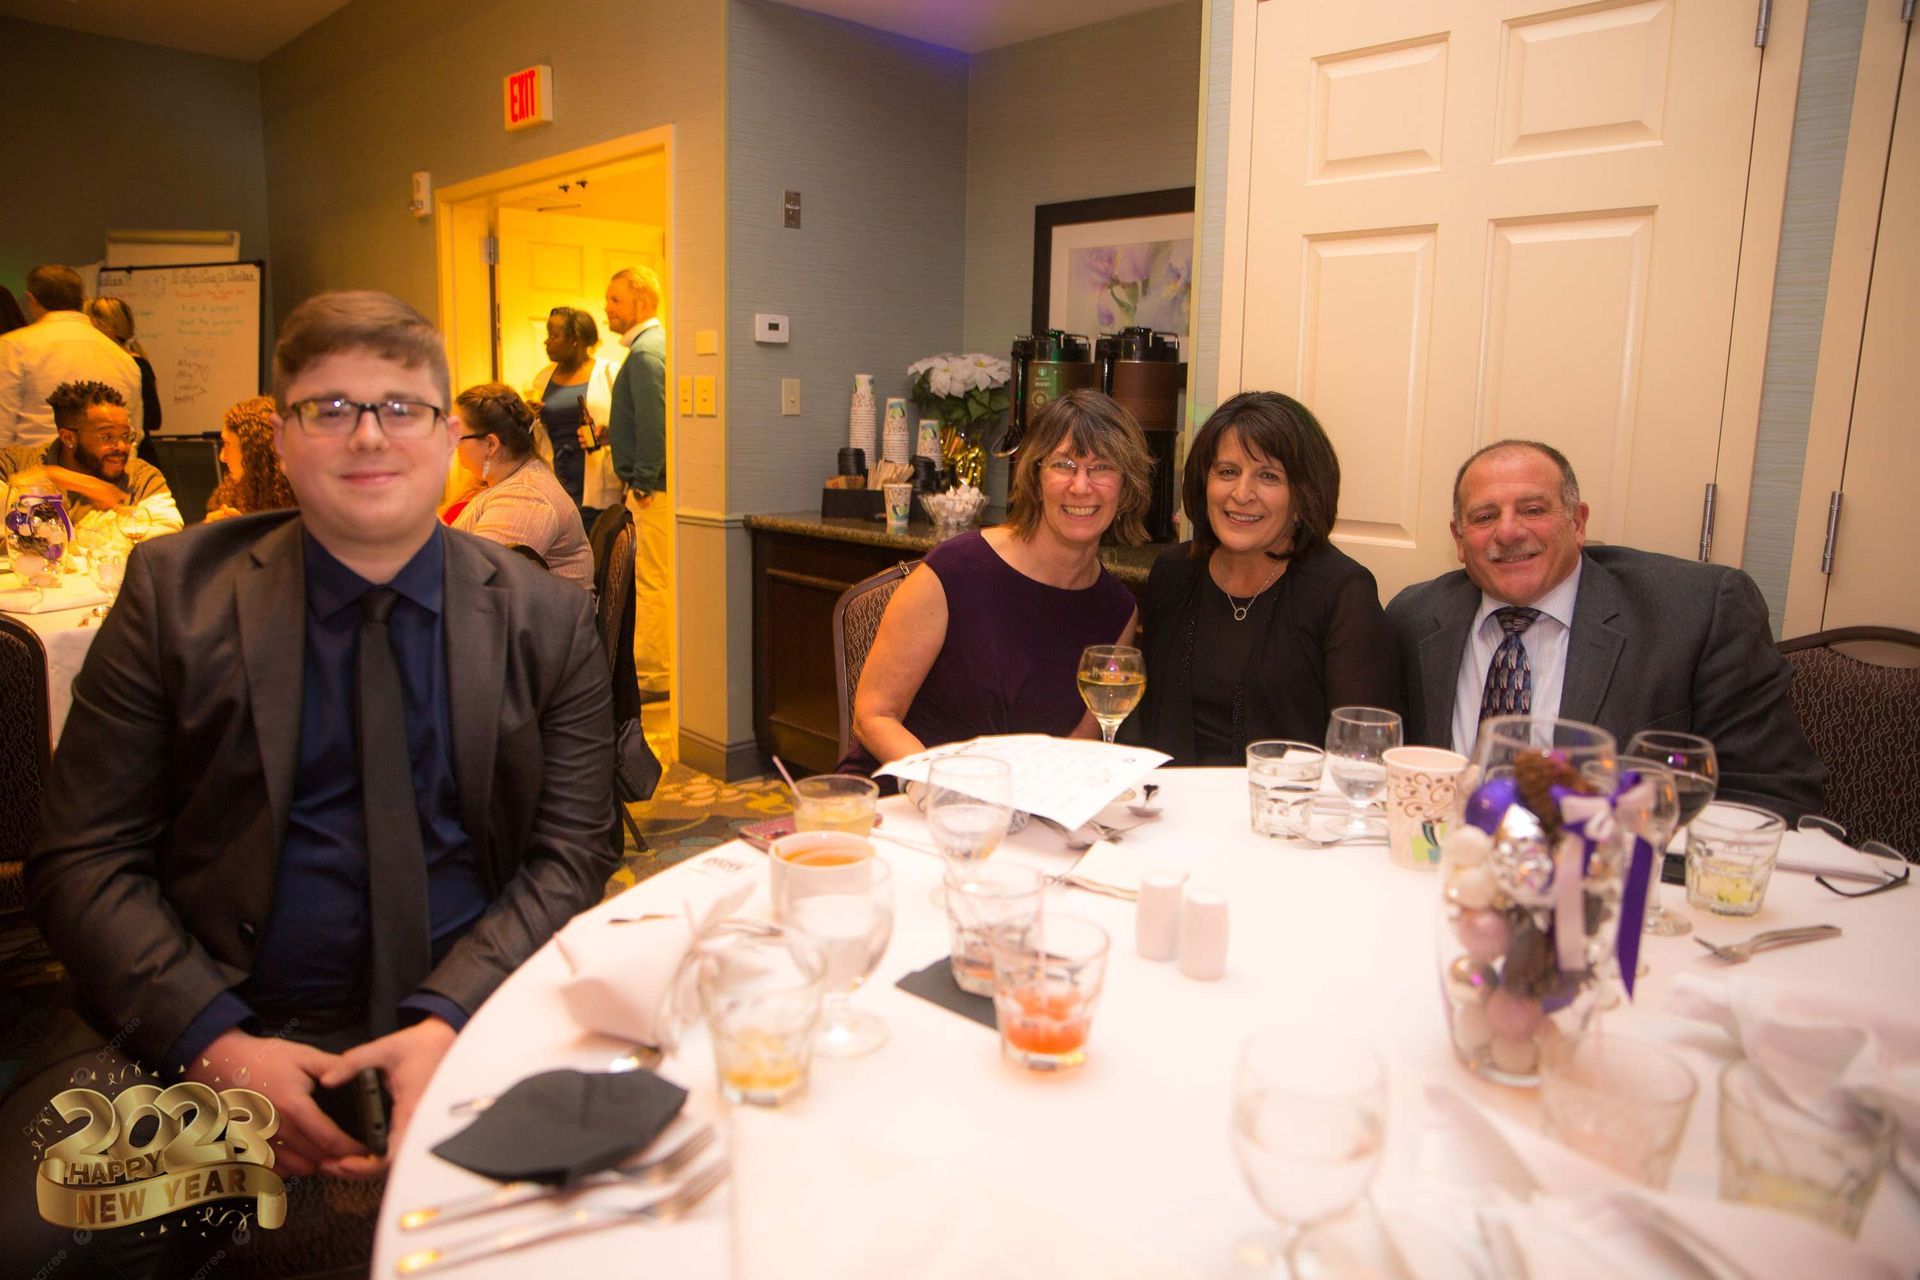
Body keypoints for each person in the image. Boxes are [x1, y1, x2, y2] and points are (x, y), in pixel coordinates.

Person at [2, 291, 615, 1276]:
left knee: (643, 1202)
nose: (368, 434)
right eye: (329, 408)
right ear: (280, 441)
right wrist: (215, 1043)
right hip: (206, 1009)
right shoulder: (173, 593)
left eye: (401, 407)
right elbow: (80, 860)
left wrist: (451, 1014)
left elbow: (572, 853)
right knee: (34, 1237)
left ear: (448, 438)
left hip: (480, 1004)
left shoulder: (546, 619)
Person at [1385, 439, 1825, 819]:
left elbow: (1770, 794)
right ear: (1459, 540)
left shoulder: (1697, 613)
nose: (1509, 531)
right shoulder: (1414, 617)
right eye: (1484, 517)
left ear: (1577, 523)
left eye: (1533, 509)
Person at [845, 389, 1147, 771]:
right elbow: (874, 716)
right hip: (909, 790)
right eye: (1064, 464)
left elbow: (1078, 748)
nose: (1081, 486)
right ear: (1036, 476)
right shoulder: (955, 570)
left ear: (1126, 487)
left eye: (1102, 467)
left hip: (1023, 801)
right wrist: (954, 788)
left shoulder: (1117, 610)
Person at [1131, 392, 1398, 764]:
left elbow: (1365, 756)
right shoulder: (1174, 571)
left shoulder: (1341, 592)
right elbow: (1145, 721)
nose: (1242, 494)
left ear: (1302, 497)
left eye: (1268, 476)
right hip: (1170, 795)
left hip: (1289, 799)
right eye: (1227, 472)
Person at [446, 382, 595, 590]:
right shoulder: (510, 479)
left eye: (458, 436)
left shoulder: (526, 498)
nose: (453, 444)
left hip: (542, 611)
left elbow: (473, 578)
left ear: (491, 444)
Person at [605, 265, 671, 702]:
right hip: (653, 484)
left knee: (650, 580)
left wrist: (643, 481)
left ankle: (653, 675)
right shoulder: (650, 348)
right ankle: (654, 670)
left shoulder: (646, 353)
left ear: (643, 303)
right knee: (652, 578)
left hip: (653, 488)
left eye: (615, 299)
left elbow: (654, 423)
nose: (607, 308)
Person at [0, 379, 182, 533]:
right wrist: (54, 476)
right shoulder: (15, 463)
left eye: (126, 436)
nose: (121, 446)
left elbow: (166, 534)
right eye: (107, 437)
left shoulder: (140, 477)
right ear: (68, 438)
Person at [0, 264, 143, 447]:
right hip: (108, 463)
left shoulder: (13, 348)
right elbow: (133, 433)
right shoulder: (123, 358)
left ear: (31, 299)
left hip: (34, 461)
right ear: (82, 300)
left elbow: (2, 428)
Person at [528, 305, 618, 513]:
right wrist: (528, 415)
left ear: (575, 339)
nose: (546, 341)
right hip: (555, 478)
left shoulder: (608, 373)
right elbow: (535, 435)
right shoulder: (543, 378)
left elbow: (627, 423)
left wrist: (608, 433)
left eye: (554, 335)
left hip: (598, 482)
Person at [86, 295, 164, 465]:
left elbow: (153, 418)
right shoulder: (129, 362)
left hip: (136, 457)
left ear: (107, 327)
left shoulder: (132, 364)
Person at [205, 394, 297, 519]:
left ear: (253, 453)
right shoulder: (232, 493)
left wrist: (246, 528)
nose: (222, 457)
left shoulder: (302, 502)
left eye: (227, 444)